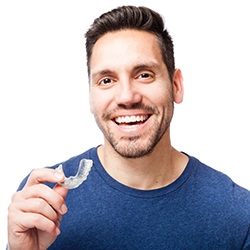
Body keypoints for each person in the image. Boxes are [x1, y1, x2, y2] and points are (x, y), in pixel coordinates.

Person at [7, 5, 250, 250]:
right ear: (91, 97)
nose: (126, 96)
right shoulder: (42, 202)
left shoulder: (238, 216)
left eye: (144, 75)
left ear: (176, 85)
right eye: (107, 80)